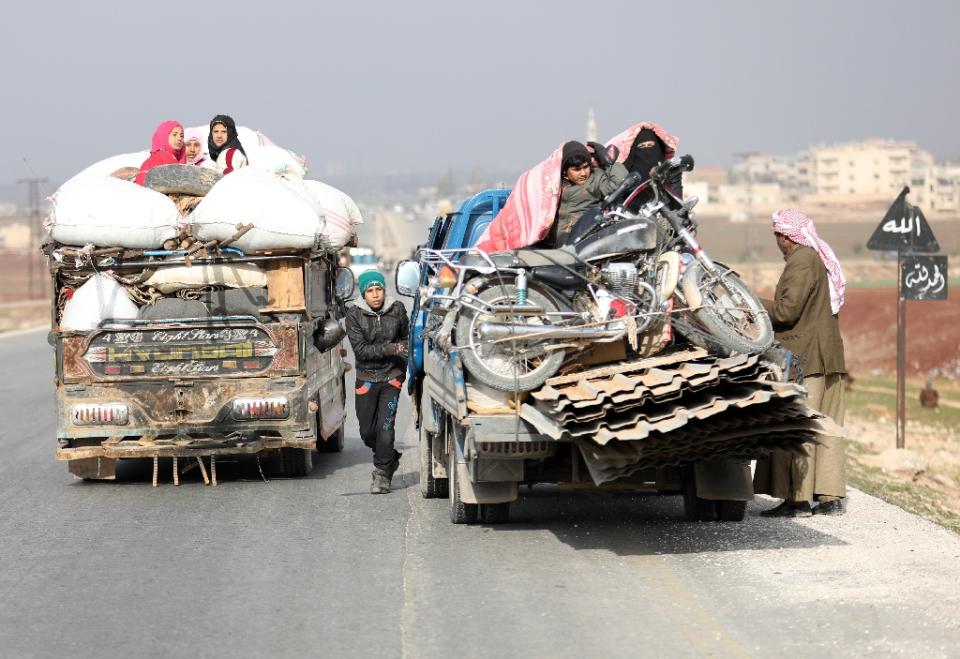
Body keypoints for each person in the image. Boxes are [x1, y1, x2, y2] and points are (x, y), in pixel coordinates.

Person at [754, 208, 848, 517]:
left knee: (798, 425)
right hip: (827, 356)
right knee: (827, 426)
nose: (777, 242)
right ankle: (828, 497)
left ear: (786, 237)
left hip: (806, 358)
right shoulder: (813, 259)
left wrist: (752, 303)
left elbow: (785, 313)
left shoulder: (801, 261)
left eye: (777, 236)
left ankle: (798, 499)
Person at [345, 270, 409, 494]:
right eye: (370, 291)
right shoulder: (353, 315)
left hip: (391, 377)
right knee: (367, 433)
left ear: (384, 290)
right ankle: (388, 455)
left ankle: (381, 475)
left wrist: (402, 370)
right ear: (363, 293)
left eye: (378, 289)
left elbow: (406, 339)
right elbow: (361, 351)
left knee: (385, 428)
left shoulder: (397, 309)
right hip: (366, 379)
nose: (375, 295)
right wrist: (391, 348)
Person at [550, 140, 628, 245]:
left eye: (586, 167)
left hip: (580, 234)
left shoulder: (595, 178)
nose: (583, 173)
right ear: (565, 172)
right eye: (577, 169)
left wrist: (608, 160)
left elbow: (619, 183)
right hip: (552, 238)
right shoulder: (553, 183)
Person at [134, 120, 185, 185]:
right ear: (164, 136)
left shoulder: (182, 160)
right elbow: (141, 187)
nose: (179, 138)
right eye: (174, 135)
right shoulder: (153, 161)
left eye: (181, 136)